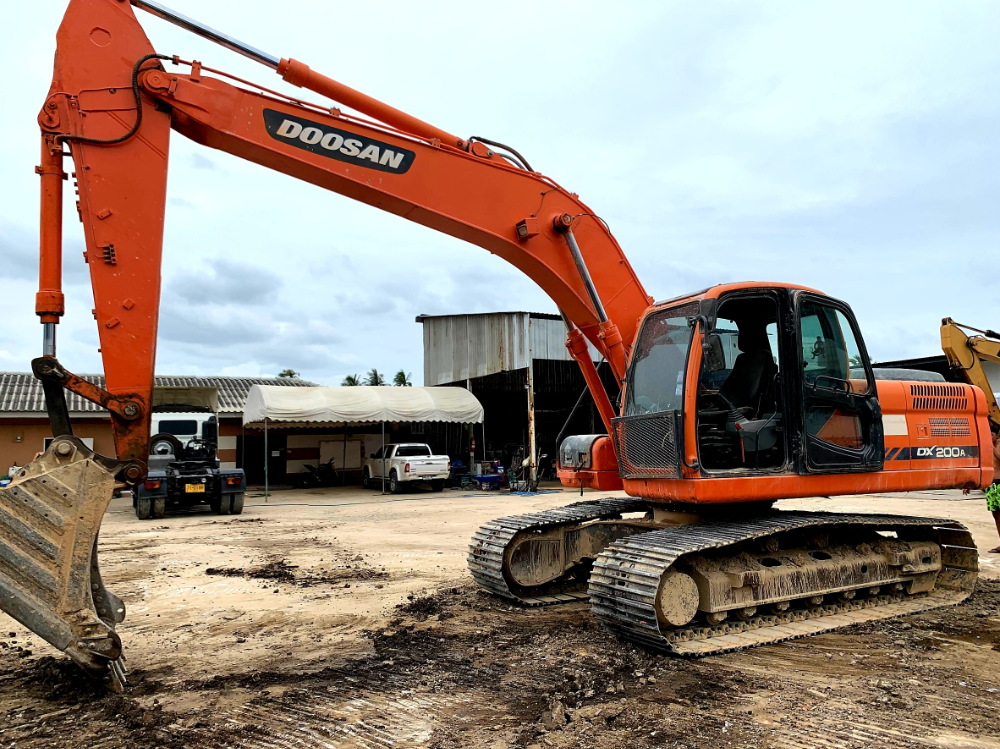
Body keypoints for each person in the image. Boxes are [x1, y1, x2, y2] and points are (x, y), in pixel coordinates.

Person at [988, 430, 1000, 553]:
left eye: (992, 434)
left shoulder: (998, 445)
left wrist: (992, 447)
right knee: (996, 515)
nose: (990, 436)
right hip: (992, 484)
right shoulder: (986, 447)